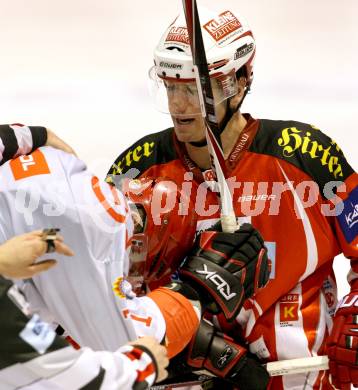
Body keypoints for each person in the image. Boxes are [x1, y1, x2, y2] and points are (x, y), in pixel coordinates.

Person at [107, 6, 358, 390]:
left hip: (301, 378)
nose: (179, 104)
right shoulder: (139, 169)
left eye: (194, 88)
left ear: (239, 82)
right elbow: (105, 286)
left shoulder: (306, 154)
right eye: (171, 86)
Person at [0, 135, 270, 388]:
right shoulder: (101, 226)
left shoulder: (55, 160)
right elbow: (122, 350)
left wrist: (30, 133)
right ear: (142, 244)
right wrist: (193, 293)